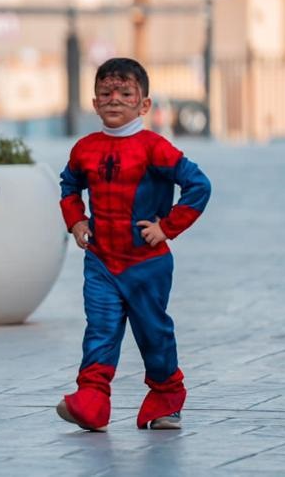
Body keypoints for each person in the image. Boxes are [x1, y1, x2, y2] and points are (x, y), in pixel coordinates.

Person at [56, 57, 211, 432]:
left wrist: (168, 227)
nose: (114, 100)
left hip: (147, 264)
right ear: (94, 103)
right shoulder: (84, 149)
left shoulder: (155, 148)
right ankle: (91, 400)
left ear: (144, 105)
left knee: (152, 332)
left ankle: (166, 397)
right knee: (100, 329)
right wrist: (76, 221)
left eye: (126, 93)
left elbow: (198, 186)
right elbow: (69, 187)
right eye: (106, 93)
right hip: (101, 263)